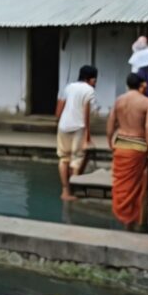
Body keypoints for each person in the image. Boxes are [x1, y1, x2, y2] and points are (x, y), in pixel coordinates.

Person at [107, 73, 148, 231]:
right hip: (137, 144)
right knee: (141, 187)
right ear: (142, 85)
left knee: (124, 188)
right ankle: (140, 223)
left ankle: (127, 223)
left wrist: (110, 143)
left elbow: (110, 124)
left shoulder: (119, 101)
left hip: (121, 142)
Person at [56, 65, 97, 201]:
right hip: (78, 126)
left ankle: (64, 191)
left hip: (63, 126)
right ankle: (73, 189)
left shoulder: (68, 87)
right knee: (77, 159)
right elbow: (86, 114)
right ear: (89, 79)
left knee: (63, 158)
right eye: (94, 79)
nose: (95, 82)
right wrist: (88, 135)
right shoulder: (89, 90)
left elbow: (58, 110)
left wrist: (60, 121)